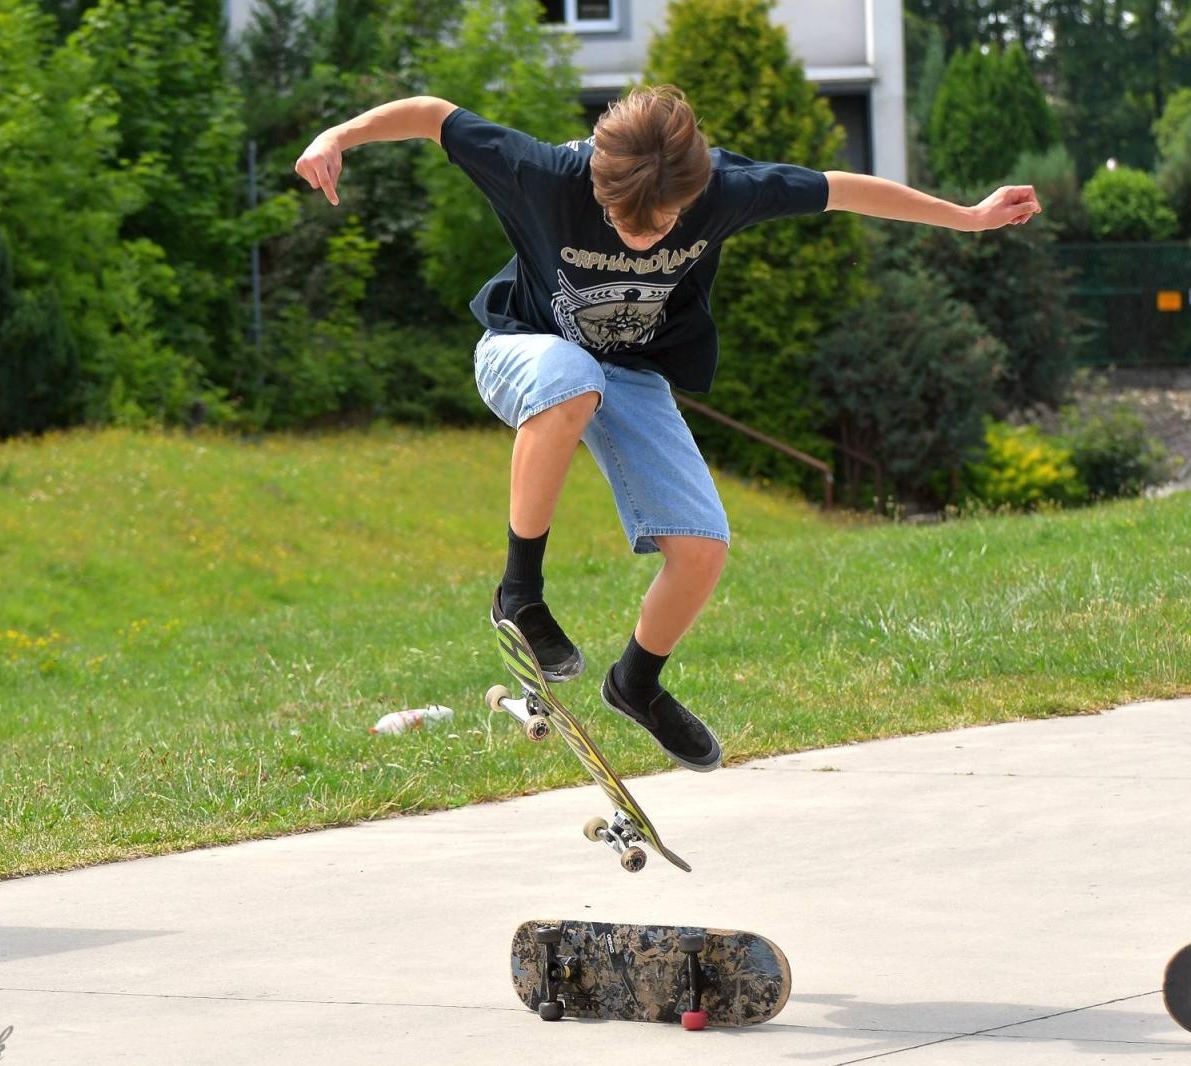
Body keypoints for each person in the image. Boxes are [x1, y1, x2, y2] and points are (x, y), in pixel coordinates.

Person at [296, 87, 1040, 773]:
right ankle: (519, 593)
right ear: (597, 185)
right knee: (571, 381)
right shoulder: (546, 175)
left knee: (704, 546)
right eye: (628, 223)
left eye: (666, 225)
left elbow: (842, 190)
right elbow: (432, 114)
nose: (648, 241)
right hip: (523, 352)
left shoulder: (725, 191)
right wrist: (339, 134)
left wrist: (968, 216)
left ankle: (637, 683)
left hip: (629, 375)